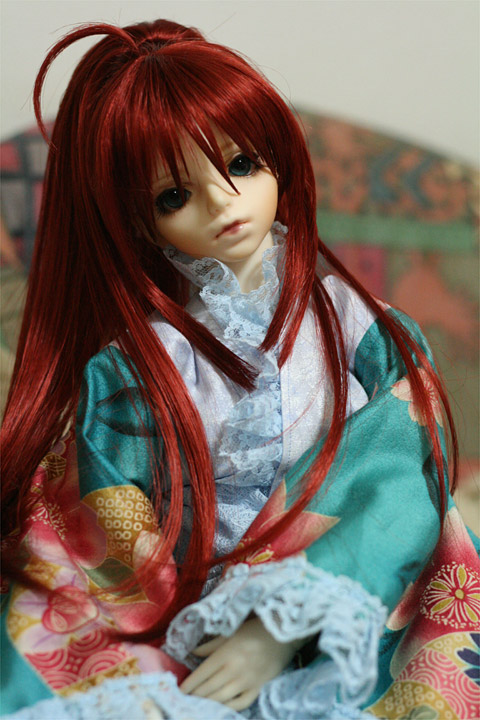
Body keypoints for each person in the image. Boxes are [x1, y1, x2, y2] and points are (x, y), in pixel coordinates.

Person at [1, 19, 478, 720]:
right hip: (197, 622)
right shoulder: (140, 366)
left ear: (278, 158)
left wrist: (279, 623)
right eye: (174, 196)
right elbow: (107, 521)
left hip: (365, 601)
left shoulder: (358, 327)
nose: (222, 201)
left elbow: (401, 471)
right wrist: (192, 624)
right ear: (140, 223)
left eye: (243, 164)